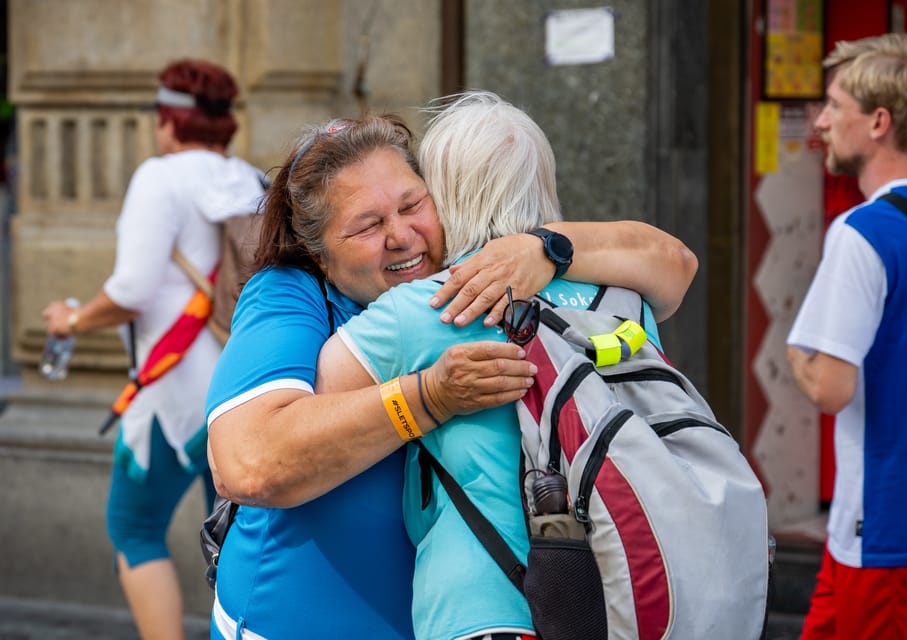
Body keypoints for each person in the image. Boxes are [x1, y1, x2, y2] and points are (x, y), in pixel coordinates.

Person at [205, 104, 697, 637]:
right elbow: (248, 464)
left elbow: (676, 264)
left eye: (413, 204)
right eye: (367, 226)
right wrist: (428, 398)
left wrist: (544, 246)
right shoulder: (288, 295)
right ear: (317, 253)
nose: (400, 235)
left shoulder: (481, 277)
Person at [41, 59, 266, 640]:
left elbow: (132, 291)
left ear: (168, 121)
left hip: (171, 401)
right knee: (235, 539)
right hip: (243, 393)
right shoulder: (251, 180)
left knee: (135, 528)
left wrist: (73, 318)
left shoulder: (158, 179)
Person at [786, 33, 907, 640]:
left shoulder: (862, 233)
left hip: (888, 533)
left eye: (835, 104)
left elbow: (830, 387)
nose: (823, 120)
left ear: (879, 121)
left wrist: (796, 350)